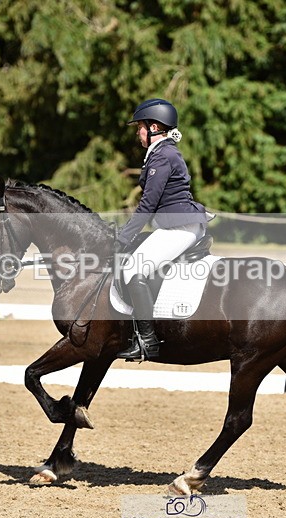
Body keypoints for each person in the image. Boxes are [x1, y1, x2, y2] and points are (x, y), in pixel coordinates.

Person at [115, 98, 209, 361]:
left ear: (154, 127)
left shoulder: (163, 155)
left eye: (140, 127)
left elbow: (147, 204)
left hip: (180, 227)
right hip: (176, 224)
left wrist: (124, 236)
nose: (137, 132)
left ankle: (147, 341)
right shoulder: (160, 154)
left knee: (133, 268)